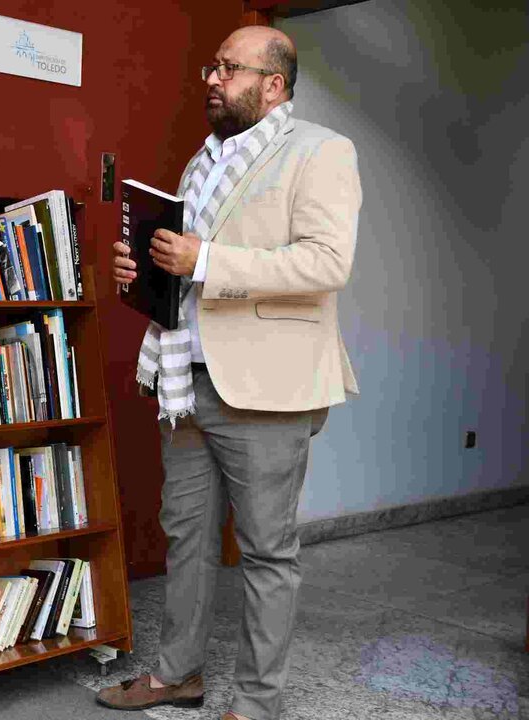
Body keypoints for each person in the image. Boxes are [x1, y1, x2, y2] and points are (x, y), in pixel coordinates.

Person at [97, 25, 361, 720]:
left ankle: (257, 702)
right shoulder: (201, 162)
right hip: (188, 381)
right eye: (211, 67)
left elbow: (326, 263)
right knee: (187, 537)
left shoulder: (323, 153)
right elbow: (186, 264)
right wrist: (147, 271)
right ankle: (177, 674)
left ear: (273, 84)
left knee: (268, 552)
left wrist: (205, 259)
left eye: (230, 69)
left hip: (267, 389)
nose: (212, 79)